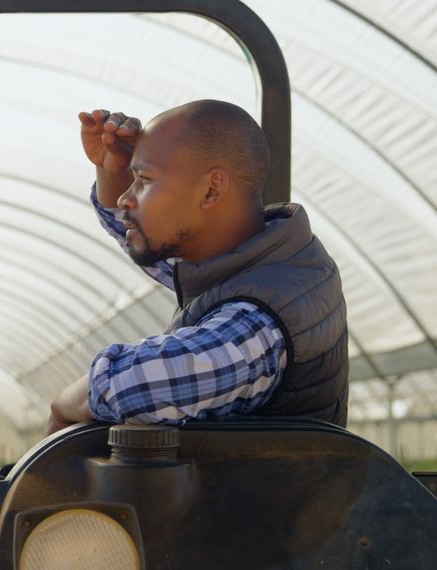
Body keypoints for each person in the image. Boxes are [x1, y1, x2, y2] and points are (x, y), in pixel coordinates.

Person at [45, 100, 348, 435]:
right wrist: (114, 171)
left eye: (144, 178)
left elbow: (135, 386)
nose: (125, 199)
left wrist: (66, 403)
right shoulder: (260, 264)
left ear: (211, 189)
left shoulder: (263, 320)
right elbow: (149, 241)